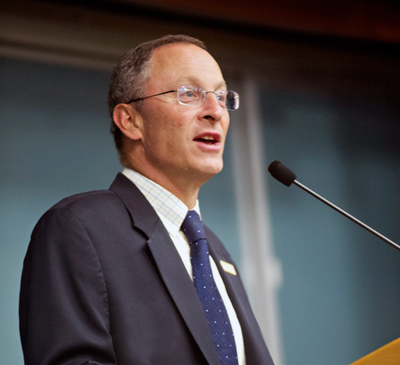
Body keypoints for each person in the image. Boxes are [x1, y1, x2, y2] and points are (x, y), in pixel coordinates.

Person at [19, 35, 275, 365]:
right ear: (130, 120)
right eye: (189, 94)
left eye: (222, 96)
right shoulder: (79, 228)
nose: (215, 112)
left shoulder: (213, 248)